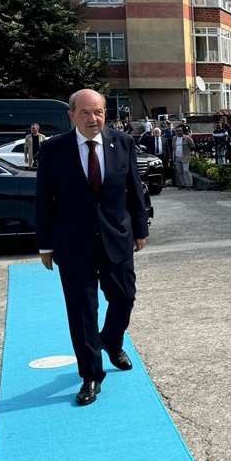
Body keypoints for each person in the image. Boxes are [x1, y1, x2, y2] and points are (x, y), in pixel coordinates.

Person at [35, 89, 150, 406]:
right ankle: (90, 375)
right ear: (71, 115)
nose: (93, 118)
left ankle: (111, 340)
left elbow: (134, 190)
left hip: (117, 238)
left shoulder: (122, 143)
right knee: (82, 311)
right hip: (73, 243)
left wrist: (141, 229)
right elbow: (44, 199)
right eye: (85, 112)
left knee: (124, 297)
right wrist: (44, 245)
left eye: (98, 112)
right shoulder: (55, 150)